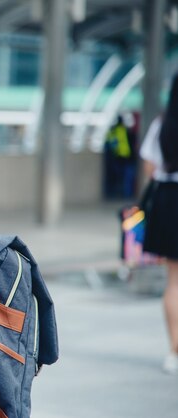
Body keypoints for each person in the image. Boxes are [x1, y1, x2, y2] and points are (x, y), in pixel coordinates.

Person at [139, 72, 178, 375]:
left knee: (173, 282)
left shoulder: (162, 124)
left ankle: (174, 351)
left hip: (167, 202)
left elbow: (150, 168)